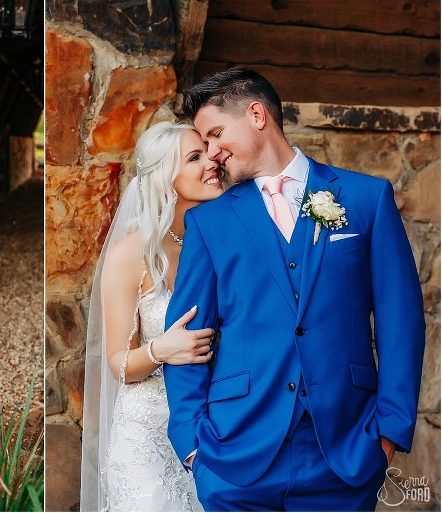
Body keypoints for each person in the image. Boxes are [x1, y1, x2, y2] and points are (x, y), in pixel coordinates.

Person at [164, 68, 426, 511]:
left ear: (256, 114)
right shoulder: (209, 223)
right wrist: (193, 446)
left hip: (346, 451)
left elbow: (401, 320)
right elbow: (186, 336)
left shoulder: (366, 199)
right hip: (237, 457)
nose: (211, 153)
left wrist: (389, 433)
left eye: (215, 134)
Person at [80, 121, 224, 511]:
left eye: (209, 152)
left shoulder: (216, 241)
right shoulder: (131, 253)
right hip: (147, 437)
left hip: (211, 434)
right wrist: (161, 349)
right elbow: (117, 365)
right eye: (195, 157)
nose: (213, 162)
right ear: (165, 177)